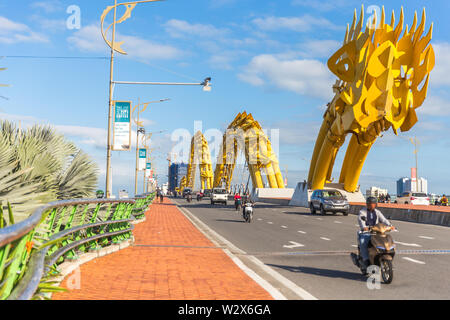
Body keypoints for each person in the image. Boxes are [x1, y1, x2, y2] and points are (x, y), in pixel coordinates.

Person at [358, 196, 395, 272]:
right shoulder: (362, 212)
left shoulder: (377, 212)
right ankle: (365, 260)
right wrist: (364, 227)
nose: (371, 205)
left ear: (375, 204)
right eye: (369, 203)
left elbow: (384, 220)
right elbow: (361, 220)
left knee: (387, 239)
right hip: (366, 232)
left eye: (373, 203)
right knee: (363, 242)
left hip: (377, 232)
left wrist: (390, 226)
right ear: (367, 204)